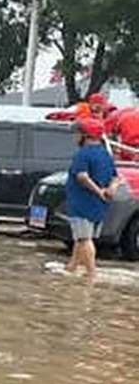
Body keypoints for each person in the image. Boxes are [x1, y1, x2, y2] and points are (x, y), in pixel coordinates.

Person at [64, 117, 119, 283]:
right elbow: (116, 177)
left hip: (81, 203)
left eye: (78, 133)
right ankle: (72, 266)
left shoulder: (83, 154)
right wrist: (110, 190)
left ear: (85, 135)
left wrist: (98, 192)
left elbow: (82, 177)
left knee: (84, 239)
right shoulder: (105, 154)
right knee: (81, 237)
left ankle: (91, 273)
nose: (76, 137)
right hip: (98, 206)